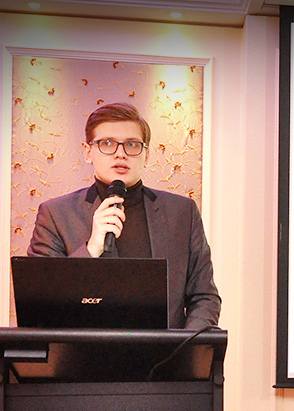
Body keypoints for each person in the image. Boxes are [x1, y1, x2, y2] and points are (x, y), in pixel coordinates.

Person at [27, 102, 221, 330]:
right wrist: (91, 249)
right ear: (88, 152)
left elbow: (204, 297)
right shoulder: (56, 215)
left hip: (166, 351)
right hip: (82, 351)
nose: (120, 153)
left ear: (146, 154)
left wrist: (185, 346)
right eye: (107, 143)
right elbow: (42, 304)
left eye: (131, 144)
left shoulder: (182, 212)